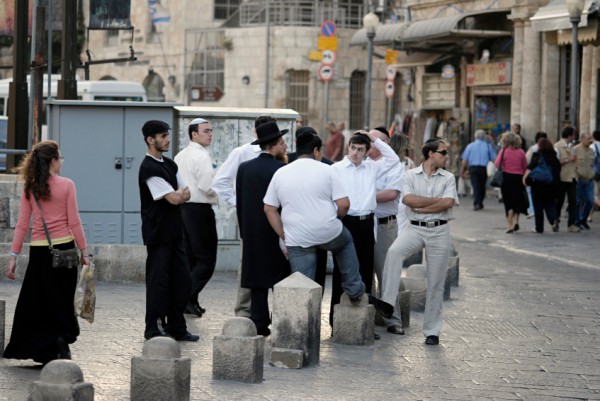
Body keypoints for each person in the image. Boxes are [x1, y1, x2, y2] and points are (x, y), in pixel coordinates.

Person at [263, 131, 393, 317]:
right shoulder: (328, 170)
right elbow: (344, 204)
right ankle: (355, 290)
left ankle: (299, 320)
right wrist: (337, 219)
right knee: (346, 242)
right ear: (316, 151)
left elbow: (269, 209)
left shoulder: (281, 172)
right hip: (328, 231)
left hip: (297, 237)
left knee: (302, 282)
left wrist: (284, 234)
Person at [4, 141, 90, 364]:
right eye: (59, 158)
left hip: (40, 252)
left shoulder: (30, 187)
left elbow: (23, 224)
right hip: (65, 251)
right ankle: (61, 341)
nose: (61, 162)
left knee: (39, 301)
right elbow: (74, 221)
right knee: (62, 299)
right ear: (52, 160)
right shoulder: (67, 184)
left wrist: (13, 256)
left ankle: (44, 350)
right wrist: (84, 251)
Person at [380, 139, 458, 346]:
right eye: (443, 152)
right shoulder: (410, 175)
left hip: (439, 230)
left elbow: (448, 202)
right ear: (431, 153)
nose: (446, 156)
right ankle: (387, 302)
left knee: (435, 282)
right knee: (394, 252)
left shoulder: (448, 178)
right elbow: (408, 201)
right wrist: (435, 203)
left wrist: (422, 206)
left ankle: (432, 331)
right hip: (415, 228)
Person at [330, 130, 399, 327]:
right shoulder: (336, 169)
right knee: (342, 269)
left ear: (367, 151)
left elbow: (393, 158)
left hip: (367, 222)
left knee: (365, 270)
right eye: (353, 148)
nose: (355, 153)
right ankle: (336, 322)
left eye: (360, 149)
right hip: (346, 220)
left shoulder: (372, 168)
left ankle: (364, 322)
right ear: (347, 147)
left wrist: (374, 138)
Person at [138, 120, 198, 342]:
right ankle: (153, 327)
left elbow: (187, 193)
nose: (167, 139)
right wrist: (177, 195)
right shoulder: (149, 168)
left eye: (167, 135)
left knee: (182, 280)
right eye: (163, 136)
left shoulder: (170, 165)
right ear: (150, 139)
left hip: (175, 232)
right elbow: (174, 198)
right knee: (159, 282)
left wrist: (178, 195)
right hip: (158, 234)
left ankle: (177, 327)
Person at [211, 114, 276, 318]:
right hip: (251, 216)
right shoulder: (242, 153)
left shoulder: (277, 152)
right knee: (248, 261)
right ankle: (244, 310)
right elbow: (220, 182)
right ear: (256, 132)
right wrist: (241, 202)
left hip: (274, 214)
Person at [236, 121, 291, 336]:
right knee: (280, 279)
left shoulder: (245, 168)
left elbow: (240, 201)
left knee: (257, 282)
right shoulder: (281, 169)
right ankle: (280, 321)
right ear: (273, 146)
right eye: (282, 143)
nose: (285, 146)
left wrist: (244, 230)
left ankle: (259, 322)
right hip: (275, 230)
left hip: (252, 232)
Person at [174, 117, 218, 317]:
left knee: (191, 258)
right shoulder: (201, 156)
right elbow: (207, 186)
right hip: (199, 210)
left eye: (211, 130)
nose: (210, 134)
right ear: (194, 134)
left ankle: (191, 301)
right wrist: (219, 193)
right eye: (206, 131)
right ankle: (184, 298)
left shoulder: (180, 155)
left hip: (183, 210)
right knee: (206, 260)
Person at [369, 128, 405, 335]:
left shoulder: (393, 165)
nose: (370, 144)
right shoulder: (363, 164)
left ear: (384, 143)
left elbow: (391, 194)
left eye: (374, 141)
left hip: (385, 225)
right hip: (365, 223)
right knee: (366, 273)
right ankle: (370, 317)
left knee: (386, 273)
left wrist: (364, 195)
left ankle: (393, 319)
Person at [286, 126, 332, 290]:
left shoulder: (286, 162)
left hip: (292, 228)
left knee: (292, 274)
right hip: (319, 228)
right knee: (317, 273)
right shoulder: (328, 166)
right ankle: (314, 310)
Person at [523, 138, 561, 233]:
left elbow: (530, 167)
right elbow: (558, 171)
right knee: (549, 204)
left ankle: (539, 228)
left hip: (537, 184)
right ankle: (553, 219)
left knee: (538, 207)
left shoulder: (537, 155)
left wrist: (524, 178)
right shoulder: (554, 157)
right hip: (550, 185)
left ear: (539, 146)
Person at [495, 132, 528, 233]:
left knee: (508, 202)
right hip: (518, 178)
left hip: (506, 178)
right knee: (517, 200)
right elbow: (525, 167)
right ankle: (516, 222)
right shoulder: (521, 152)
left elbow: (497, 164)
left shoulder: (503, 151)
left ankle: (509, 226)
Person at [461, 129, 497, 211]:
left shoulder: (470, 146)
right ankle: (479, 202)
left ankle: (478, 203)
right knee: (482, 185)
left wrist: (462, 170)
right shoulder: (488, 146)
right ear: (484, 137)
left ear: (475, 136)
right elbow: (494, 158)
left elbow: (464, 160)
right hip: (484, 169)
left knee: (476, 185)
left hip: (473, 168)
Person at [555, 126, 580, 233]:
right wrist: (569, 159)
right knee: (559, 201)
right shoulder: (557, 146)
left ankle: (572, 224)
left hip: (572, 177)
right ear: (569, 136)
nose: (574, 137)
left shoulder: (572, 147)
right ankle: (555, 220)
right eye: (573, 135)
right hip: (562, 178)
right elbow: (556, 163)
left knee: (573, 201)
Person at [573, 132, 595, 230]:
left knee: (590, 201)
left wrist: (592, 174)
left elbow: (594, 164)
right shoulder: (575, 149)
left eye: (591, 138)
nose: (590, 141)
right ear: (582, 139)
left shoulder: (591, 151)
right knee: (577, 202)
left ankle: (583, 219)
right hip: (579, 179)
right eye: (588, 139)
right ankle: (577, 221)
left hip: (589, 179)